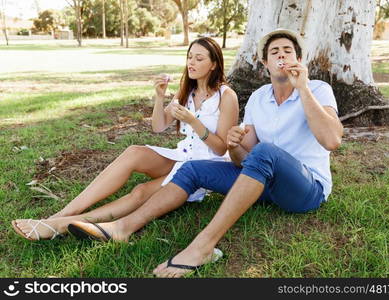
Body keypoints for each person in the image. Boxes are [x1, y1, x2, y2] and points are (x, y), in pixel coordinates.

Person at [64, 28, 344, 277]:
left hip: (307, 190)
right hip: (264, 187)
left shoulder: (318, 89)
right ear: (264, 64)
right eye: (275, 51)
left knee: (267, 152)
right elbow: (245, 161)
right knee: (192, 168)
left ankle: (202, 247)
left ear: (298, 59)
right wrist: (235, 145)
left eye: (288, 51)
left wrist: (303, 89)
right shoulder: (258, 98)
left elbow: (331, 140)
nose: (282, 55)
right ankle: (122, 228)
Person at [11, 37, 239, 241]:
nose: (191, 62)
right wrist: (159, 98)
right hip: (182, 155)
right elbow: (158, 126)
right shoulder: (188, 91)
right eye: (190, 57)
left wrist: (194, 121)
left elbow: (221, 150)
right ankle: (61, 214)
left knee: (140, 192)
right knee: (134, 151)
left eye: (199, 58)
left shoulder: (226, 96)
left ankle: (60, 226)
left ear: (214, 64)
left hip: (204, 166)